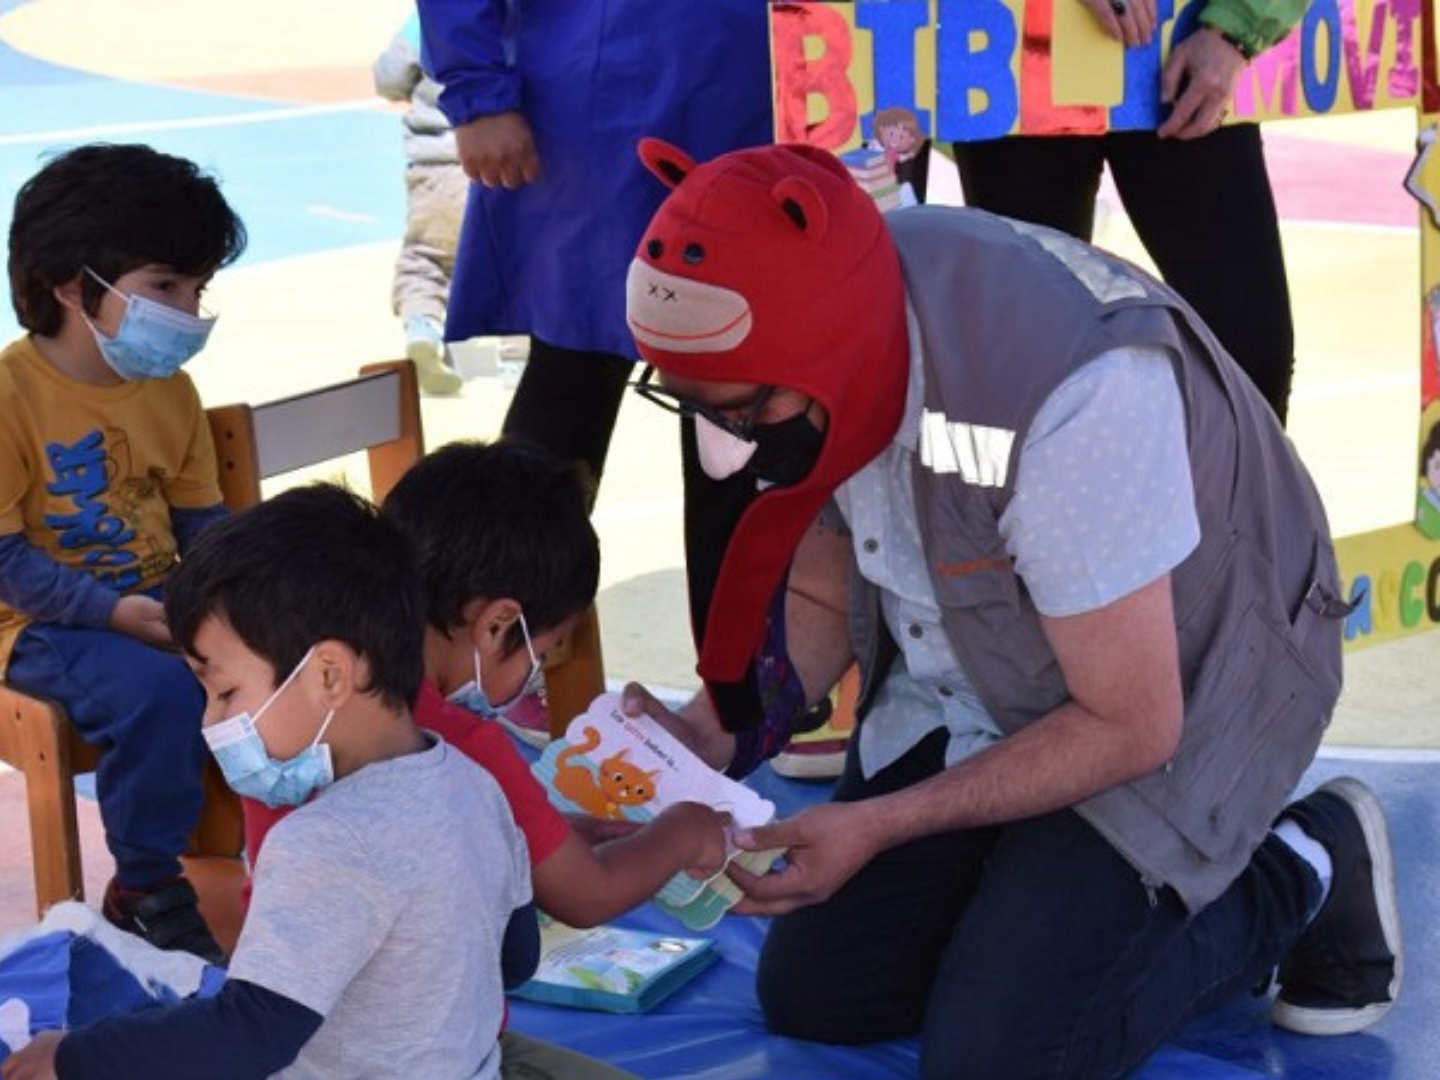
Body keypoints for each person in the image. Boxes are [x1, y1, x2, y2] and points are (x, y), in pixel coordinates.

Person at [620, 140, 1402, 1080]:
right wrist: (717, 734)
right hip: (984, 673)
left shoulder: (1077, 387)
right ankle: (1026, 900)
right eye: (699, 407)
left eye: (745, 411)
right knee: (819, 996)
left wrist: (878, 824)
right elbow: (825, 591)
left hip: (1178, 694)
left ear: (818, 352)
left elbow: (1131, 724)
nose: (730, 442)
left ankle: (1308, 862)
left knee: (1003, 1061)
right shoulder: (822, 308)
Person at [0, 483, 541, 1080]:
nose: (211, 724)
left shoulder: (324, 840)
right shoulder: (475, 786)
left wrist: (74, 1057)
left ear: (330, 674)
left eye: (225, 691)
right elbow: (514, 958)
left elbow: (249, 1033)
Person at [237, 442, 724, 1077]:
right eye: (542, 653)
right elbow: (587, 894)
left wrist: (537, 838)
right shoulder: (464, 746)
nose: (536, 676)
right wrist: (686, 828)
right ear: (496, 625)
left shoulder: (297, 715)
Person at [414, 0, 776, 741]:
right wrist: (477, 88)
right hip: (609, 99)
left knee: (748, 411)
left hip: (785, 92)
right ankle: (472, 665)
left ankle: (743, 699)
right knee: (571, 381)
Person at [0, 143, 247, 965]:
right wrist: (113, 613)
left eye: (199, 288)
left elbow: (201, 523)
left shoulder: (170, 391)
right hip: (33, 625)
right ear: (76, 287)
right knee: (157, 695)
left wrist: (227, 608)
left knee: (286, 655)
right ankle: (144, 883)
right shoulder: (9, 395)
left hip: (148, 606)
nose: (191, 310)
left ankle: (290, 850)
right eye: (166, 288)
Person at [950, 0, 1300, 423]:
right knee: (1030, 366)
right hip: (1012, 62)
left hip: (1183, 49)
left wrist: (1235, 32)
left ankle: (1242, 489)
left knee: (1250, 355)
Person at [374, 9, 468, 397]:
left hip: (439, 166)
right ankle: (517, 353)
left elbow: (390, 79)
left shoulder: (429, 14)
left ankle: (423, 331)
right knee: (520, 261)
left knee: (425, 259)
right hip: (517, 161)